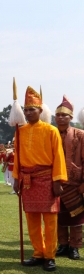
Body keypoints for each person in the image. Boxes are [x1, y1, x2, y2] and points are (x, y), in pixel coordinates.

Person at [13, 86, 67, 272]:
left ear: (40, 110)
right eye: (26, 109)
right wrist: (15, 178)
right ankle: (38, 253)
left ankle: (50, 256)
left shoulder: (51, 130)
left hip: (46, 178)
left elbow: (58, 156)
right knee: (32, 219)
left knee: (50, 220)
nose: (28, 113)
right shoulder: (20, 132)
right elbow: (18, 157)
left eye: (32, 109)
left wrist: (57, 180)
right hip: (27, 180)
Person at [54, 95, 84, 260]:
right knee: (58, 215)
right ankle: (63, 244)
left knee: (76, 216)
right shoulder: (51, 134)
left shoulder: (80, 135)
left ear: (71, 117)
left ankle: (75, 247)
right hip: (55, 182)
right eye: (58, 115)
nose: (60, 117)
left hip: (75, 182)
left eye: (64, 115)